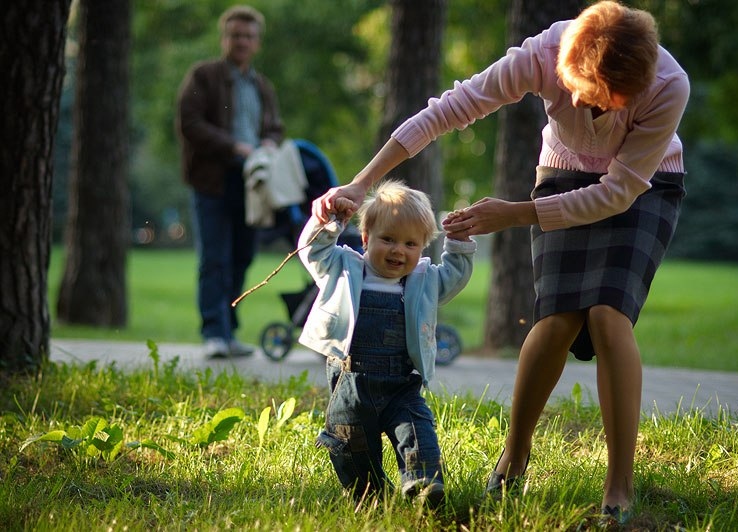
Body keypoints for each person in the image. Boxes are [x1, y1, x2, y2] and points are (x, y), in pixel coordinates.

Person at [312, 0, 689, 523]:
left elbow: (618, 192)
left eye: (609, 102)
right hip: (562, 173)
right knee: (556, 319)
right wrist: (361, 181)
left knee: (607, 313)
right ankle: (515, 455)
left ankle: (619, 487)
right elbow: (447, 110)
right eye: (586, 93)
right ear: (567, 65)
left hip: (643, 189)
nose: (592, 108)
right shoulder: (543, 53)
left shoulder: (669, 85)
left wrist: (514, 214)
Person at [299, 180, 476, 506]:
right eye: (388, 239)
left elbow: (455, 273)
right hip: (350, 383)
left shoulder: (425, 281)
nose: (398, 250)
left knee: (417, 430)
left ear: (423, 247)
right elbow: (313, 250)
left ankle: (423, 483)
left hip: (401, 384)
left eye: (411, 244)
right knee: (352, 446)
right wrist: (329, 221)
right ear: (366, 238)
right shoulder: (343, 268)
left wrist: (460, 240)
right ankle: (370, 498)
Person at [176, 5, 284, 358]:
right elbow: (189, 122)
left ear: (258, 43)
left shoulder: (262, 85)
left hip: (253, 185)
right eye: (236, 35)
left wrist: (269, 141)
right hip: (213, 182)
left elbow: (274, 127)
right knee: (214, 258)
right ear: (225, 38)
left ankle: (230, 331)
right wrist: (233, 146)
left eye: (249, 36)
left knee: (242, 256)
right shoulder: (203, 76)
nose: (242, 41)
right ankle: (214, 333)